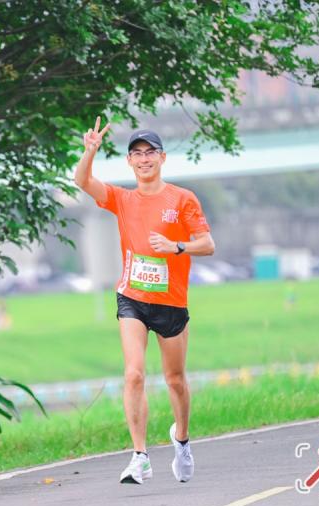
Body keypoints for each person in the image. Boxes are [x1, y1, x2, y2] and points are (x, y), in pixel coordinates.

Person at [74, 117, 215, 484]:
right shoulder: (122, 199)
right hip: (132, 298)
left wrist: (176, 246)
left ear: (162, 158)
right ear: (129, 162)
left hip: (171, 303)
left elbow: (207, 244)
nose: (144, 159)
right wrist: (90, 151)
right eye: (136, 154)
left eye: (150, 152)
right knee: (133, 373)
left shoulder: (182, 199)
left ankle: (182, 440)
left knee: (175, 380)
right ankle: (140, 456)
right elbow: (83, 182)